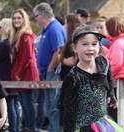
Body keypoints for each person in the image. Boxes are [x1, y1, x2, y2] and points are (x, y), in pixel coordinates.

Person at [60, 24, 122, 132]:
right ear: (74, 48)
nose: (90, 48)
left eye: (94, 44)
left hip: (103, 123)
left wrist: (111, 94)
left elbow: (108, 77)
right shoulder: (73, 78)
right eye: (85, 44)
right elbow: (68, 110)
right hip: (84, 127)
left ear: (99, 46)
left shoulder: (103, 63)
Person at [33, 3, 67, 132]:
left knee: (53, 105)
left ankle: (54, 129)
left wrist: (51, 68)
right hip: (46, 72)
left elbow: (59, 50)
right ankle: (52, 128)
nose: (35, 19)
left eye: (36, 16)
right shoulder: (47, 29)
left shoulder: (54, 28)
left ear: (43, 15)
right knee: (49, 104)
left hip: (53, 73)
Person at [10, 8, 39, 132]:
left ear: (24, 20)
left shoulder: (25, 35)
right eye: (14, 18)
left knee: (28, 104)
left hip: (27, 75)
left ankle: (30, 128)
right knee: (24, 103)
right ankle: (28, 127)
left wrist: (18, 73)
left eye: (19, 18)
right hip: (22, 75)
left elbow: (27, 57)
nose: (16, 20)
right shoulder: (18, 34)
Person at [0, 18, 20, 132]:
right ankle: (15, 128)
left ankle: (13, 128)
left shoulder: (5, 44)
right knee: (15, 105)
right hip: (13, 78)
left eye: (2, 27)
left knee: (10, 106)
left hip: (6, 78)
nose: (0, 30)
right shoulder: (13, 43)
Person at [106, 17, 124, 132]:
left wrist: (106, 76)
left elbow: (117, 64)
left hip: (118, 79)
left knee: (115, 110)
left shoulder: (118, 43)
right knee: (121, 110)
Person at [58, 13, 81, 132]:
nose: (64, 26)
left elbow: (72, 60)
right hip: (67, 78)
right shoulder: (70, 38)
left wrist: (61, 58)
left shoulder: (74, 39)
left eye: (66, 23)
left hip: (72, 79)